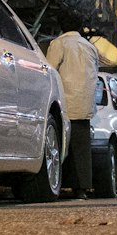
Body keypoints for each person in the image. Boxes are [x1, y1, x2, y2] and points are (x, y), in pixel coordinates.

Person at [45, 19, 100, 198]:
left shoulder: (59, 44)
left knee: (61, 146)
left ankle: (59, 185)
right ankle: (81, 188)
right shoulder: (90, 47)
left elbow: (49, 71)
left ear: (62, 28)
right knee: (82, 148)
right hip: (85, 104)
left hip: (65, 104)